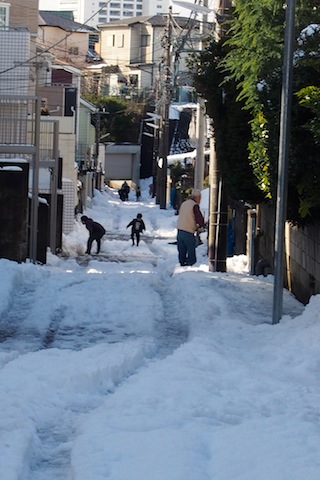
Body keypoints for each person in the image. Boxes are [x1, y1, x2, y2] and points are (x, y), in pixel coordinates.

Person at [176, 189, 205, 266]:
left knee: (182, 251)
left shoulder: (184, 203)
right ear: (197, 197)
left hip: (180, 230)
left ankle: (182, 264)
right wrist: (201, 225)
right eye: (200, 198)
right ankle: (189, 268)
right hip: (188, 231)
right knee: (191, 253)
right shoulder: (194, 205)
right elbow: (199, 219)